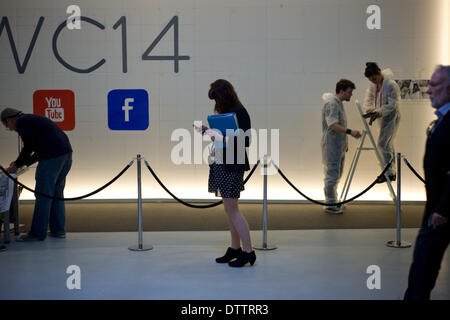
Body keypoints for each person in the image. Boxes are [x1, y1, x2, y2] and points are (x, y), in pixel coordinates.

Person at [195, 79, 256, 267]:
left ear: (224, 96)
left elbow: (246, 141)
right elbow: (224, 138)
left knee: (233, 210)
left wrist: (220, 136)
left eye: (217, 99)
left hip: (233, 164)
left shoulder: (239, 111)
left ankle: (248, 251)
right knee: (229, 209)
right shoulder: (227, 112)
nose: (216, 104)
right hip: (223, 162)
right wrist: (209, 132)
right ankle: (235, 248)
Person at [404, 65, 450, 300]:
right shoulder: (441, 120)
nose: (429, 90)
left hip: (441, 212)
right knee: (423, 266)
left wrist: (443, 208)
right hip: (436, 208)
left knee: (423, 266)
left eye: (434, 85)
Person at [1, 108, 73, 241]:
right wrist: (20, 164)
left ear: (9, 119)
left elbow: (29, 147)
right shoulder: (32, 119)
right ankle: (58, 231)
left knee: (43, 195)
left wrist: (16, 165)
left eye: (7, 126)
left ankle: (37, 233)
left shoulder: (22, 122)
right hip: (66, 155)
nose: (11, 129)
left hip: (52, 157)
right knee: (56, 194)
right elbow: (38, 148)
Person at [321, 79, 361, 214]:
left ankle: (333, 201)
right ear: (342, 91)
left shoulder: (338, 104)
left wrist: (345, 144)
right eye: (349, 92)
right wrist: (350, 132)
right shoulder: (332, 104)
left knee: (336, 174)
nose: (351, 95)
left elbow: (338, 124)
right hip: (332, 145)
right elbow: (332, 124)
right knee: (332, 174)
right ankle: (330, 204)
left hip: (338, 145)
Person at [363, 62, 401, 183]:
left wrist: (379, 111)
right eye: (370, 80)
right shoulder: (373, 86)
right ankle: (389, 171)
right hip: (381, 117)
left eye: (374, 78)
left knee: (383, 144)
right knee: (387, 143)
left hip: (391, 116)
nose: (373, 81)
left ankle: (389, 173)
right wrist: (369, 109)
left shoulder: (391, 85)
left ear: (379, 73)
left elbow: (393, 104)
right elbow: (368, 99)